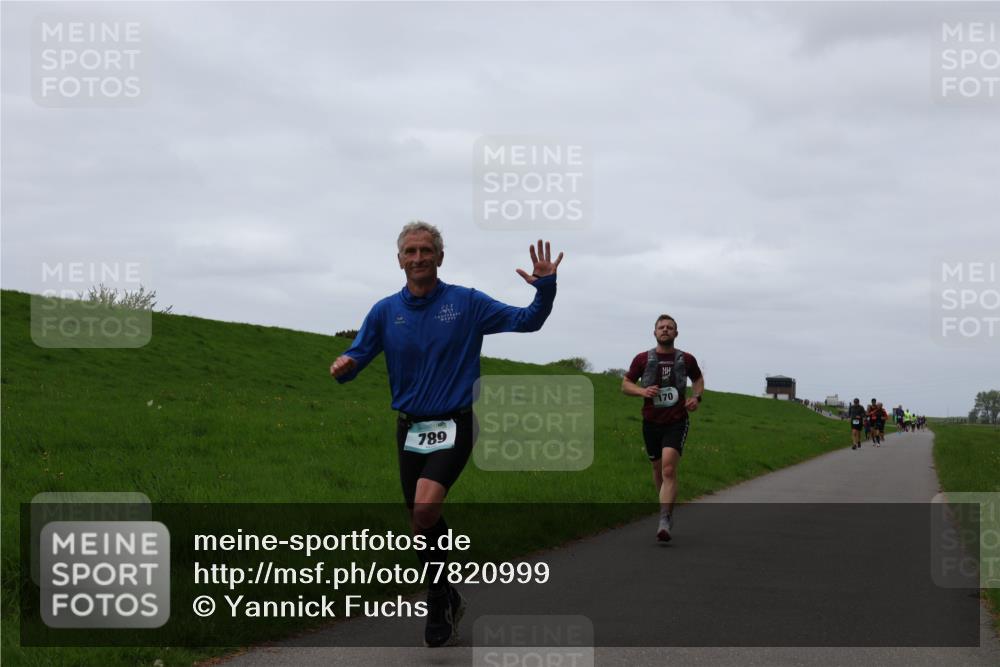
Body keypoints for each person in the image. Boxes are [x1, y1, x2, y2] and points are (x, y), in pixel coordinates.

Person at [330, 222, 562, 647]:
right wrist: (344, 366)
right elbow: (357, 356)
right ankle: (448, 594)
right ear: (399, 259)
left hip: (456, 421)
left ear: (440, 256)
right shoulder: (384, 311)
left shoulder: (467, 303)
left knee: (424, 509)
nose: (418, 258)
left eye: (426, 250)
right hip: (410, 428)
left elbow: (528, 321)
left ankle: (437, 598)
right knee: (422, 521)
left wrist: (545, 287)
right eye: (410, 251)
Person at [621, 314, 704, 542]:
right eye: (661, 327)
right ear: (655, 332)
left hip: (676, 420)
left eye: (670, 327)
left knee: (668, 469)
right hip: (651, 422)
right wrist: (641, 391)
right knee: (657, 469)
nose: (665, 330)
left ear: (676, 333)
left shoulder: (686, 359)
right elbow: (625, 384)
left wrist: (696, 398)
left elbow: (697, 379)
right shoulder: (642, 359)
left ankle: (665, 518)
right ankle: (664, 510)